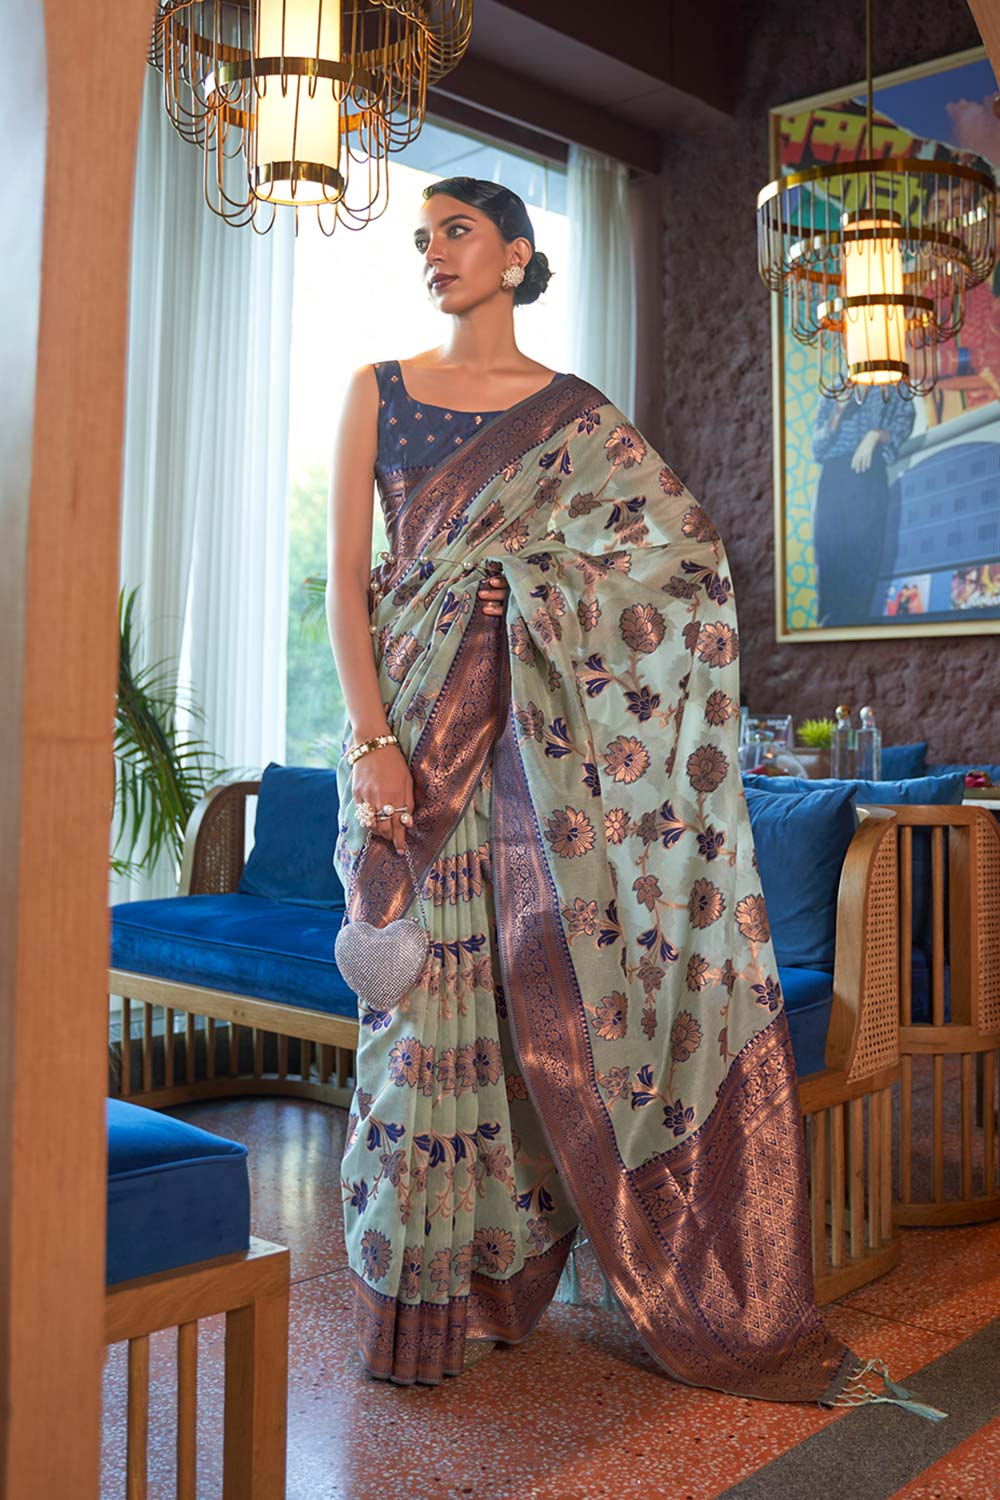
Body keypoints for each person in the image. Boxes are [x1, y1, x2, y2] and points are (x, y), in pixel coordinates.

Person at [325, 176, 943, 1418]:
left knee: (512, 1032)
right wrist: (374, 741)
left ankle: (498, 1289)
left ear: (516, 254)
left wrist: (525, 581)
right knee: (414, 1018)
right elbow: (347, 581)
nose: (433, 254)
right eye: (422, 238)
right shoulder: (378, 390)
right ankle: (415, 1300)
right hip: (409, 747)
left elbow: (680, 560)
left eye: (456, 232)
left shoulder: (574, 416)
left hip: (528, 763)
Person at [810, 386, 915, 627]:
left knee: (864, 559)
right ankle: (829, 630)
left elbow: (903, 425)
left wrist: (875, 435)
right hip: (833, 478)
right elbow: (817, 448)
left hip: (868, 474)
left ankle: (856, 629)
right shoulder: (835, 386)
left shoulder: (893, 383)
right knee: (829, 558)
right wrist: (838, 412)